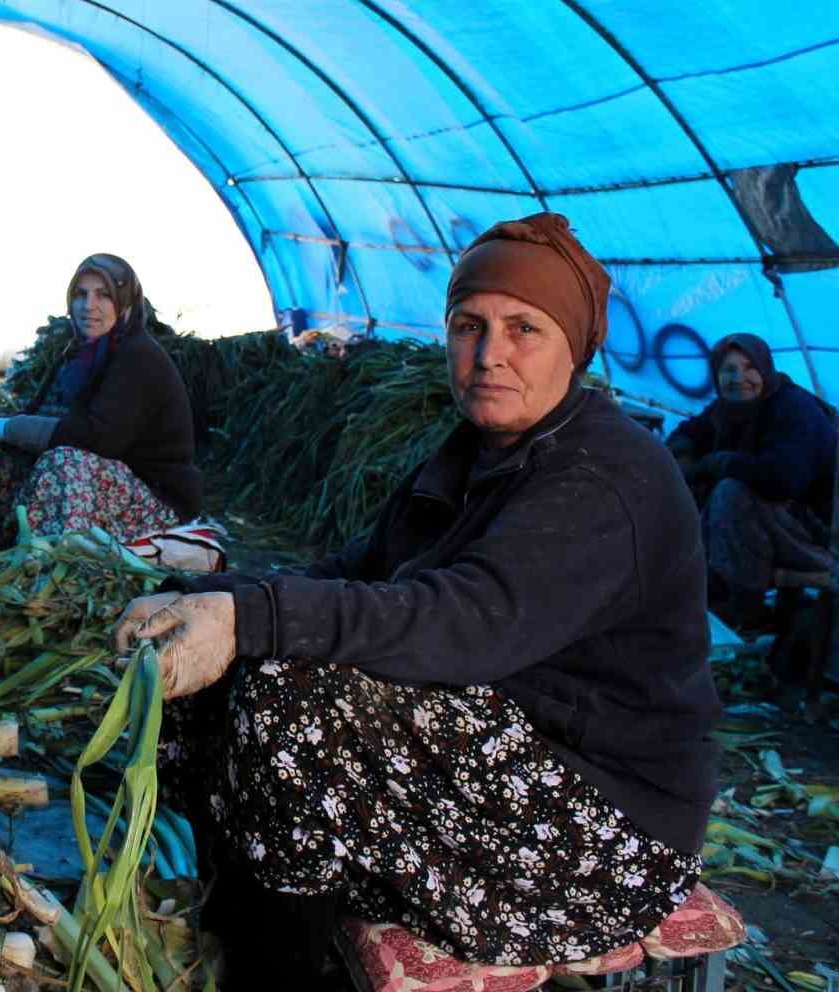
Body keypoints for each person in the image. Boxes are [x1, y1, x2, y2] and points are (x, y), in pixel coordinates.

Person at [112, 213, 718, 986]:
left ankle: (277, 972)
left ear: (574, 348)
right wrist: (199, 599)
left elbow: (463, 621)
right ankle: (234, 916)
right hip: (493, 753)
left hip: (604, 832)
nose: (489, 353)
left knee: (291, 696)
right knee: (228, 669)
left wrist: (252, 620)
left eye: (524, 329)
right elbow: (356, 573)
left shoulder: (606, 477)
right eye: (468, 326)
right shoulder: (472, 453)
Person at [0, 253, 199, 550]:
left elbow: (98, 438)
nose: (88, 305)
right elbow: (39, 413)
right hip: (102, 485)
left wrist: (9, 428)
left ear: (125, 302)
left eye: (103, 295)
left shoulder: (138, 357)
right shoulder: (76, 354)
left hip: (155, 499)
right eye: (80, 294)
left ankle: (48, 560)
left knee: (63, 463)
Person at [666, 334, 836, 629]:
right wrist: (683, 453)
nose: (739, 378)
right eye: (728, 370)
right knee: (688, 484)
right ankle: (703, 579)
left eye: (749, 367)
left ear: (765, 368)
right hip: (780, 523)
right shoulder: (726, 411)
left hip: (819, 534)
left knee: (731, 493)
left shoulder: (793, 408)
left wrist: (720, 462)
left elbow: (782, 478)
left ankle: (746, 605)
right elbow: (690, 431)